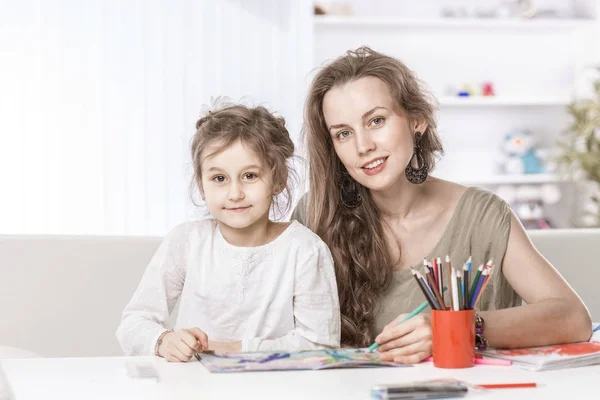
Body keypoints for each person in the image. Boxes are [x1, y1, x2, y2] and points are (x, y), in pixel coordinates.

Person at [293, 46, 591, 363]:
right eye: (343, 134)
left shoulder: (482, 216)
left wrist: (456, 327)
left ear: (417, 120)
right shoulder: (315, 216)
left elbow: (573, 318)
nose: (363, 146)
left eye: (377, 121)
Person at [117, 101, 340, 362]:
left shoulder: (305, 249)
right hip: (195, 388)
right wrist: (163, 340)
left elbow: (321, 344)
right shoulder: (187, 242)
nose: (235, 194)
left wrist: (234, 348)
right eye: (219, 179)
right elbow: (133, 324)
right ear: (201, 184)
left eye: (249, 176)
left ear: (278, 179)